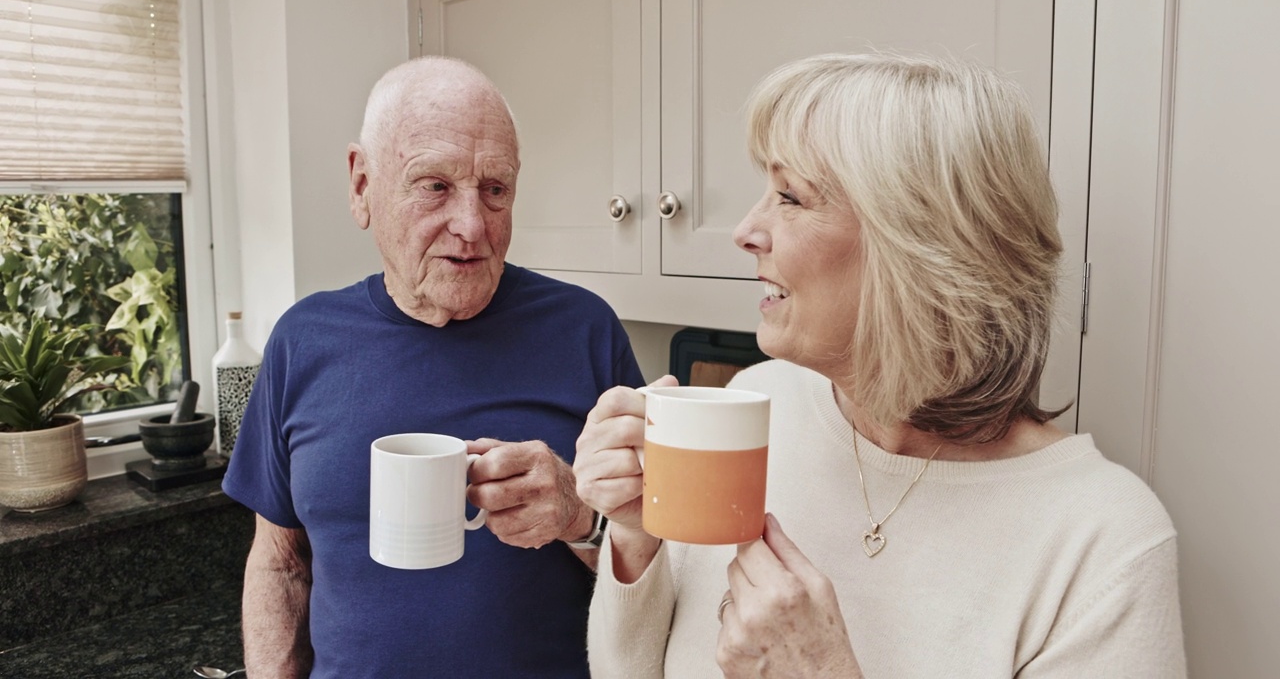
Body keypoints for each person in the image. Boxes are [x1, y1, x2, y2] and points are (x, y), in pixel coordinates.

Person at [574, 53, 1186, 678]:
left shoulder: (1105, 543)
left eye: (790, 196)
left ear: (920, 246)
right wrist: (634, 541)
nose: (746, 230)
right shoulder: (756, 404)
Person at [222, 56, 645, 678]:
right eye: (435, 186)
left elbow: (662, 565)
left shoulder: (585, 331)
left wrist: (578, 518)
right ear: (362, 185)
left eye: (495, 190)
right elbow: (279, 564)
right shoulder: (301, 342)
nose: (473, 226)